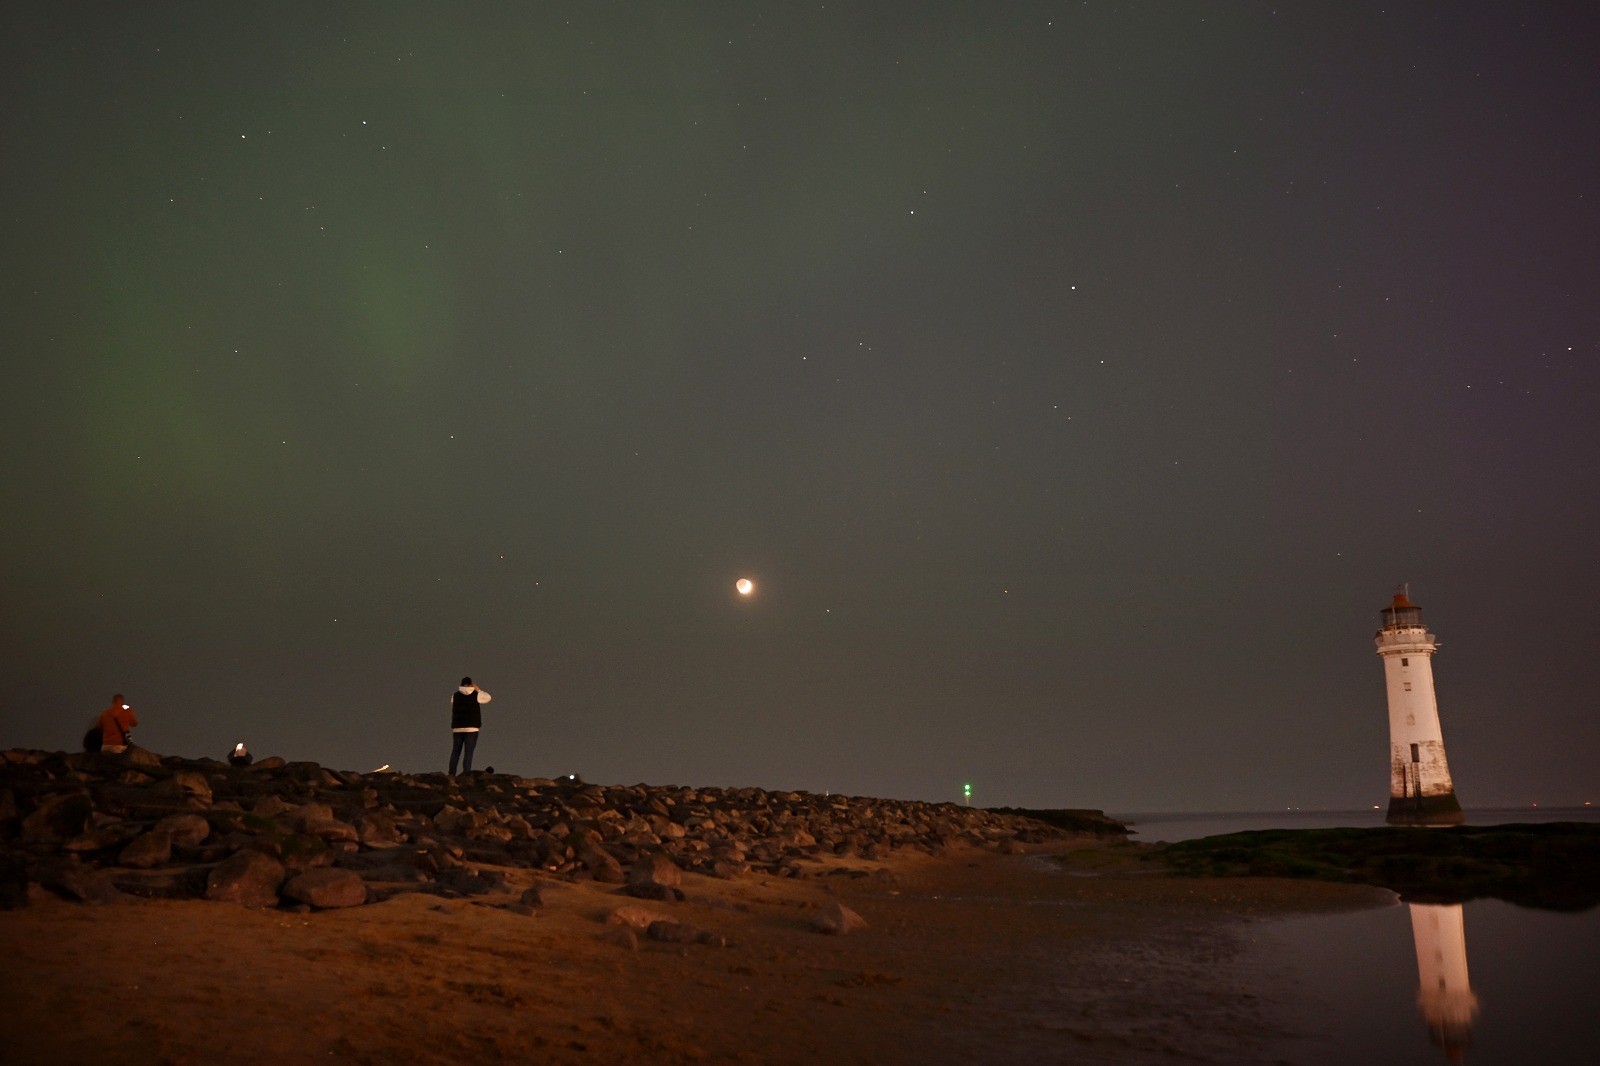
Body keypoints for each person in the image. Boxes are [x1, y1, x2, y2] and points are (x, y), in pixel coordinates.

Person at [449, 676, 491, 776]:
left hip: (457, 728)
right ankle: (466, 773)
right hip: (472, 728)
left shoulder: (455, 695)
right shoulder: (476, 694)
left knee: (455, 751)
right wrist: (478, 689)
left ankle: (451, 773)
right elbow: (488, 698)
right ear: (471, 685)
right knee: (468, 752)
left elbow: (452, 703)